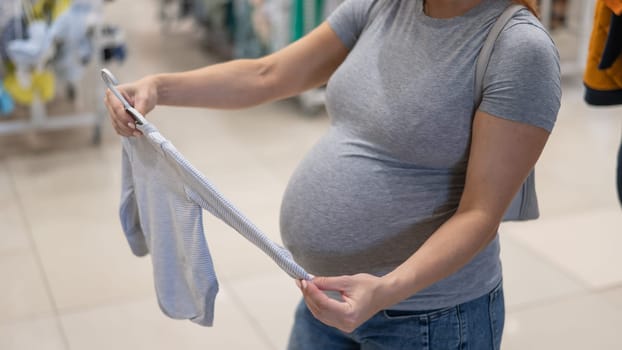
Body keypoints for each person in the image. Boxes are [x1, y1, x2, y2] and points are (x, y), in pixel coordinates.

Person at [104, 0, 561, 348]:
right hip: (326, 300)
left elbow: (481, 214)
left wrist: (384, 291)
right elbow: (270, 74)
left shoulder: (517, 49)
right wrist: (159, 87)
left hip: (427, 318)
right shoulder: (385, 6)